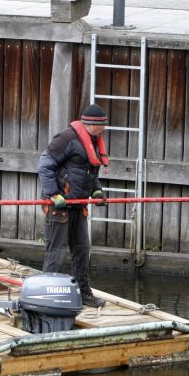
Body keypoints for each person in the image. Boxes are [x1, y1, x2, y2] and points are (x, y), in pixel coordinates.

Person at [38, 104, 110, 308]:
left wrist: (96, 190)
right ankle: (48, 297)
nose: (104, 129)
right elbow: (44, 165)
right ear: (90, 124)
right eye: (102, 125)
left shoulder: (94, 141)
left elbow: (90, 172)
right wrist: (53, 194)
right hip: (59, 205)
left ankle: (83, 293)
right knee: (56, 251)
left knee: (81, 249)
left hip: (78, 205)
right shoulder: (66, 139)